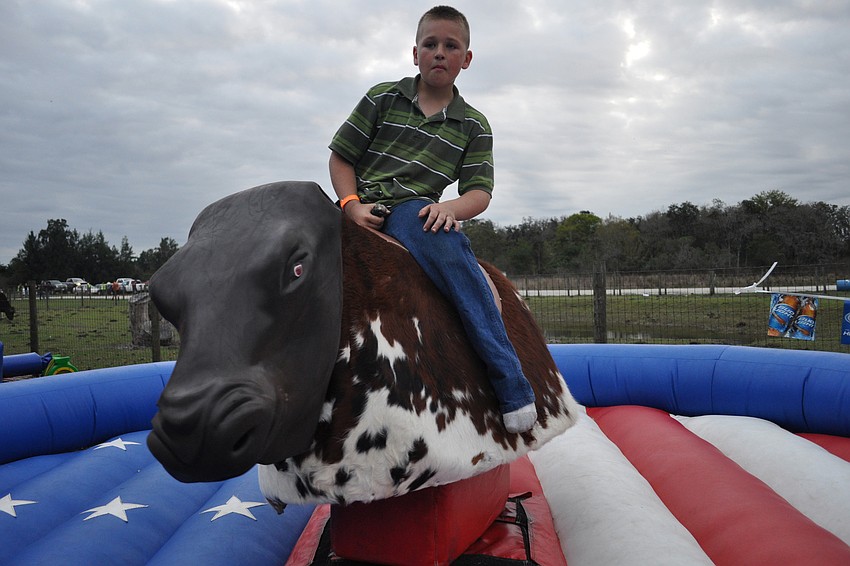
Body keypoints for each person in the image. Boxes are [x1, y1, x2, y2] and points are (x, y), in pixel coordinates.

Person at [328, 5, 537, 433]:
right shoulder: (382, 97)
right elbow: (341, 157)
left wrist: (449, 208)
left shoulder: (473, 125)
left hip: (413, 208)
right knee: (289, 238)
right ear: (415, 53)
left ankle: (511, 385)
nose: (439, 52)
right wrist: (350, 205)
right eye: (430, 44)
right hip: (359, 203)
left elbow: (479, 191)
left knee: (448, 247)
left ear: (466, 58)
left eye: (450, 45)